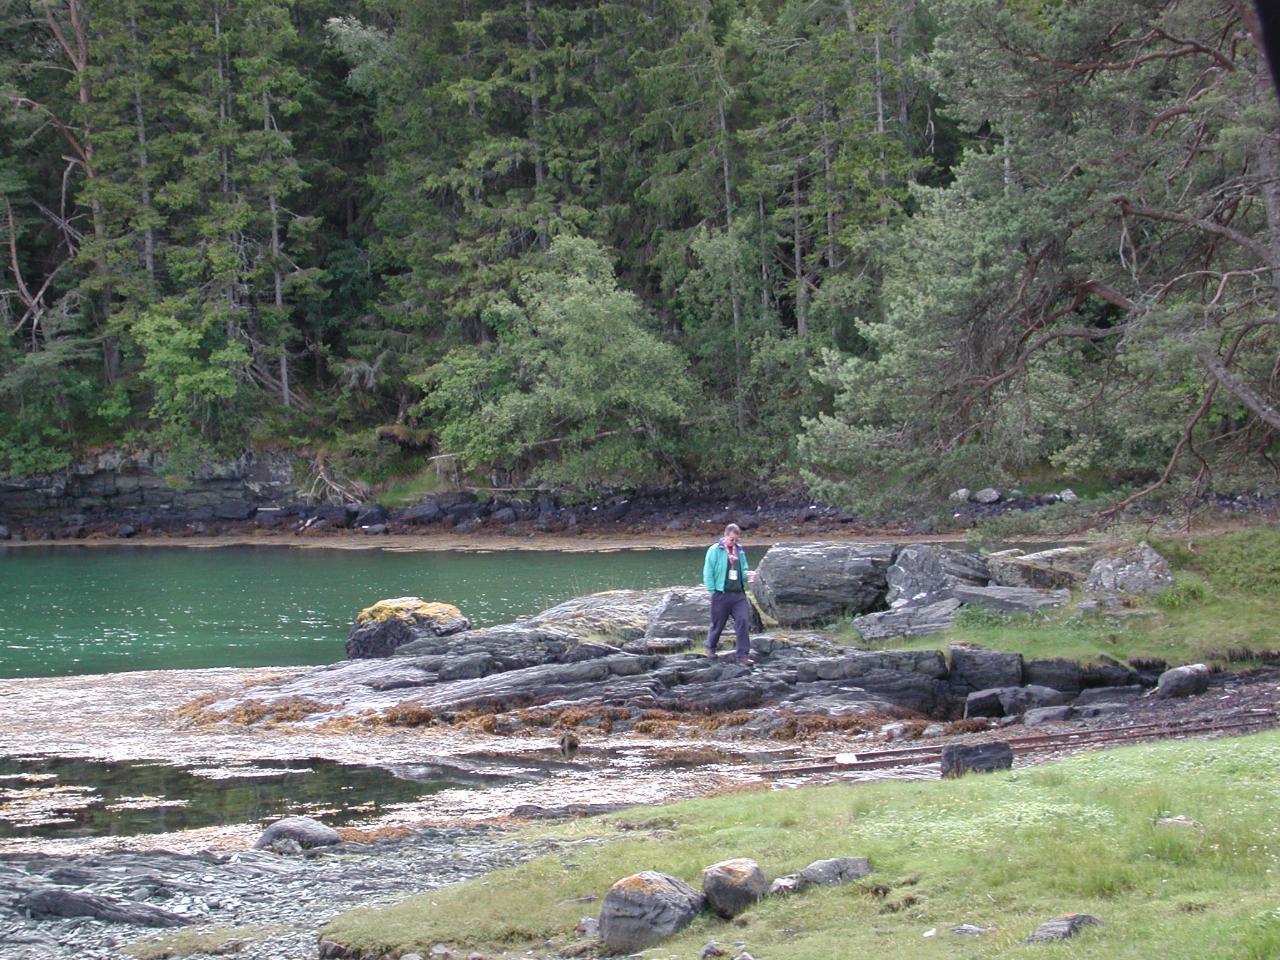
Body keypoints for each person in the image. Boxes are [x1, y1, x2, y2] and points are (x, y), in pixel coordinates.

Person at [702, 523, 755, 665]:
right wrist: (713, 591)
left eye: (736, 540)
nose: (734, 542)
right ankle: (710, 648)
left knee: (743, 621)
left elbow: (743, 568)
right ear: (725, 536)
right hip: (721, 594)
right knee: (718, 623)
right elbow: (708, 571)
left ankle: (742, 655)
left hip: (738, 594)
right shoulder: (715, 550)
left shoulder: (740, 551)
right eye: (732, 539)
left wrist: (747, 576)